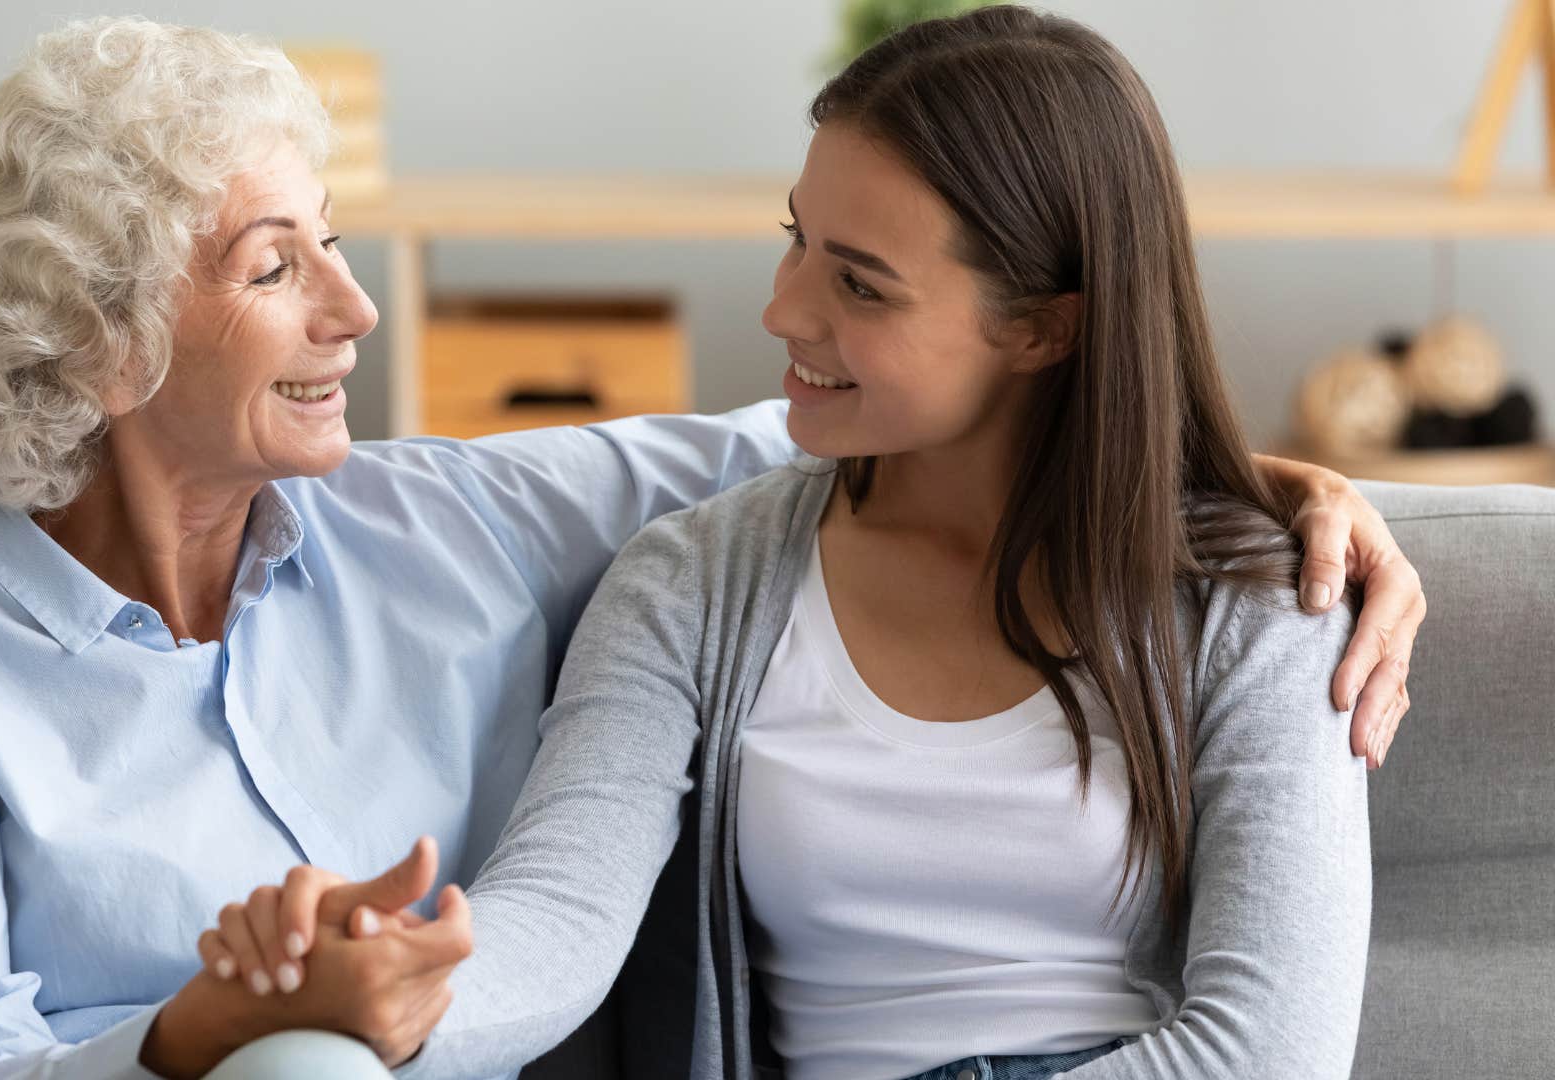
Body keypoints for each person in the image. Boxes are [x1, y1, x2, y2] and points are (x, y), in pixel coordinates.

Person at [0, 14, 1422, 1080]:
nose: (356, 308)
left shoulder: (454, 520)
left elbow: (903, 422)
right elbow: (541, 929)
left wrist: (1244, 484)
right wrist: (258, 1021)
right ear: (97, 341)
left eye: (335, 246)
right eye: (278, 270)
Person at [235, 8, 1399, 1080]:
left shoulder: (1262, 597)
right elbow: (556, 922)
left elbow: (1267, 1050)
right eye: (799, 240)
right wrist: (388, 990)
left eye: (860, 284)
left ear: (1045, 328)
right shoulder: (693, 583)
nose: (785, 310)